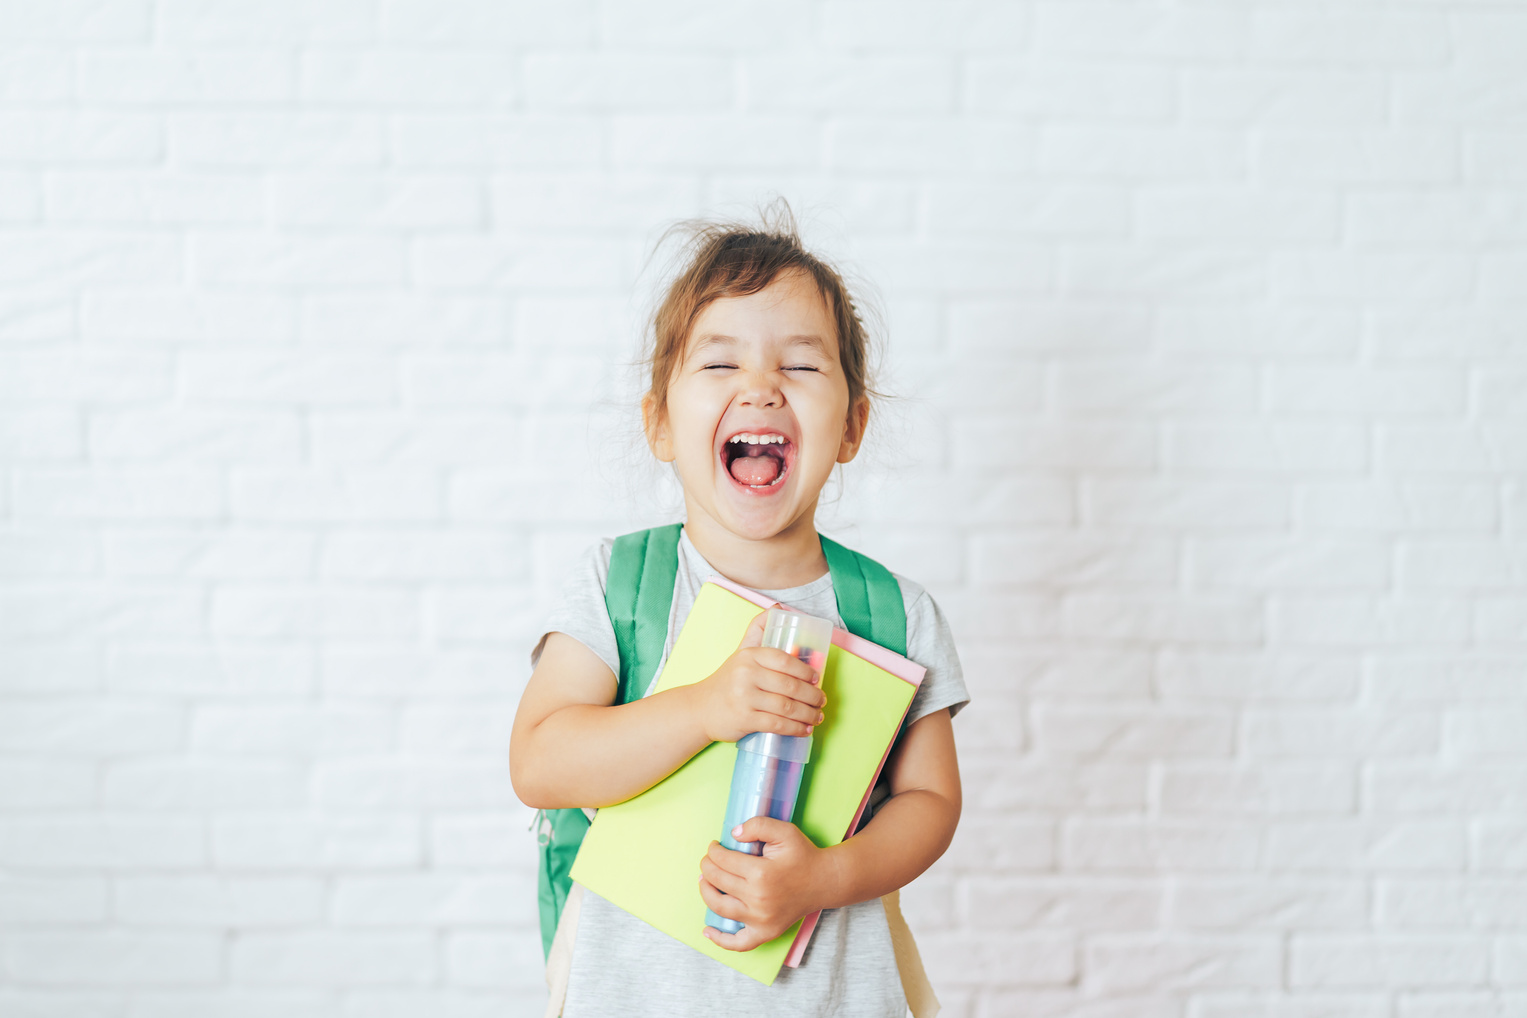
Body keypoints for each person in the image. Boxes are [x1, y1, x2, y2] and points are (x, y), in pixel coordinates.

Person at [510, 206, 969, 1018]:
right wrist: (706, 706)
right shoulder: (619, 585)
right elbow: (540, 763)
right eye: (719, 364)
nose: (760, 385)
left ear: (852, 425)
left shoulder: (895, 613)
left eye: (800, 368)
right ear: (659, 422)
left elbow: (930, 805)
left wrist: (823, 878)